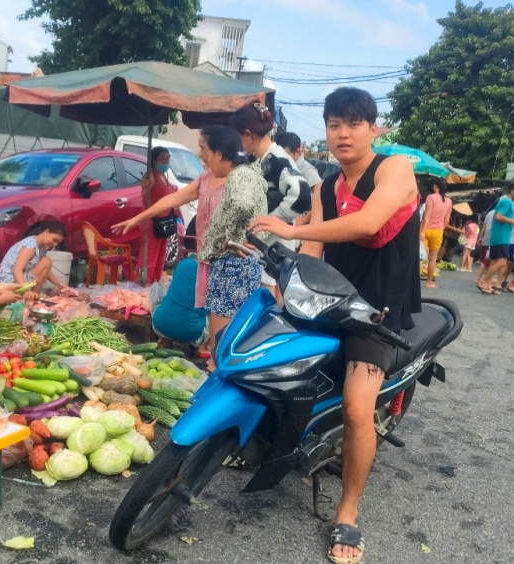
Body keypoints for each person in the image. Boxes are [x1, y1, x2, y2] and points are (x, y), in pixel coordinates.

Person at [249, 87, 420, 564]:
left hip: (376, 310)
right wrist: (287, 287)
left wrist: (292, 228)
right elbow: (315, 253)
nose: (343, 134)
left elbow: (367, 224)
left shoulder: (395, 169)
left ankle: (347, 508)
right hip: (329, 301)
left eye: (353, 123)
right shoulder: (326, 186)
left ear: (373, 128)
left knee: (357, 406)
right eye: (334, 124)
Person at [114, 126, 267, 363]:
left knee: (227, 324)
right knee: (213, 316)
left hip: (230, 262)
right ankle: (212, 356)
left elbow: (248, 210)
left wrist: (235, 240)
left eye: (203, 148)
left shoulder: (240, 179)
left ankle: (215, 360)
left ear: (217, 152)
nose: (201, 154)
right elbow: (172, 199)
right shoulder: (206, 179)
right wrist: (138, 218)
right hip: (210, 259)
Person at [230, 102, 312, 253]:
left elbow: (302, 195)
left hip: (276, 250)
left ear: (248, 134)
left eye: (237, 137)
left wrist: (266, 224)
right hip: (267, 248)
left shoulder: (275, 159)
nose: (238, 145)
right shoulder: (263, 159)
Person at [0, 221, 73, 301]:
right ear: (47, 232)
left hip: (19, 276)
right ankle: (31, 298)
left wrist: (61, 285)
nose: (55, 244)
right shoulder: (30, 246)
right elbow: (17, 270)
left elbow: (46, 270)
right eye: (54, 240)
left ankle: (34, 297)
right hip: (9, 280)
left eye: (57, 242)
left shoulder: (41, 246)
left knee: (46, 262)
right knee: (46, 261)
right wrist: (25, 291)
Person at [138, 147, 177, 284]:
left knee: (160, 255)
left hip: (164, 222)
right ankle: (145, 283)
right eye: (162, 158)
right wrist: (144, 187)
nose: (166, 161)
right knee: (150, 255)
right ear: (154, 160)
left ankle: (154, 282)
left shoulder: (164, 176)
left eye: (167, 158)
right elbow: (145, 195)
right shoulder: (151, 175)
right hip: (151, 222)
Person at [150, 257, 208, 349]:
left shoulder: (184, 264)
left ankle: (164, 337)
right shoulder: (215, 274)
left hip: (160, 328)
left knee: (157, 286)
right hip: (193, 337)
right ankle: (206, 347)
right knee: (215, 310)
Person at [479, 183, 514, 295]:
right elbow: (499, 216)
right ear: (513, 191)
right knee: (502, 262)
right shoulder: (507, 202)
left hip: (498, 236)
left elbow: (501, 217)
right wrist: (513, 221)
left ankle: (488, 286)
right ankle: (484, 281)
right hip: (502, 237)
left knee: (494, 261)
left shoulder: (506, 202)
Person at [421, 179, 452, 288]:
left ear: (435, 186)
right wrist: (441, 230)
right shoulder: (449, 201)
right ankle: (429, 282)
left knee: (418, 255)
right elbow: (447, 220)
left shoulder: (431, 197)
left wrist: (423, 231)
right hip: (438, 231)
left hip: (426, 229)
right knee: (432, 258)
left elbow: (427, 215)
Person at [475, 207, 497, 286]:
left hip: (486, 238)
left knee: (486, 261)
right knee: (486, 261)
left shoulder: (489, 213)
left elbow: (484, 227)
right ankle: (478, 278)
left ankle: (485, 278)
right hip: (493, 240)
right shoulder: (500, 214)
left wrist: (481, 237)